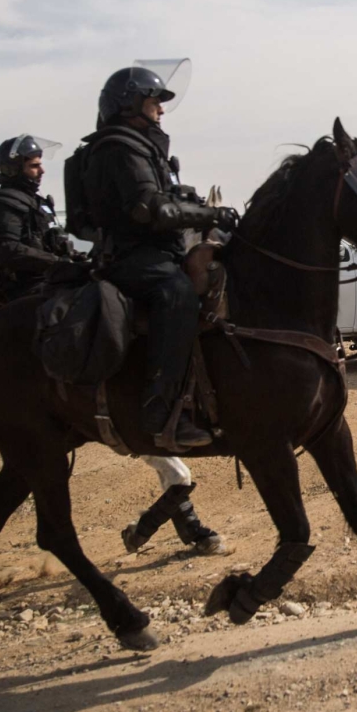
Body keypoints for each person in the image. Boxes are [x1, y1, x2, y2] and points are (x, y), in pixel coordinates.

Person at [80, 63, 235, 448]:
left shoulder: (143, 147)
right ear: (130, 103)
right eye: (154, 101)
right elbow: (150, 208)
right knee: (177, 293)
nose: (161, 109)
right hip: (132, 257)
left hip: (155, 251)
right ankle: (161, 411)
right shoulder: (119, 146)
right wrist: (210, 213)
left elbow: (167, 198)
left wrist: (195, 204)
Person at [0, 135, 82, 300]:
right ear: (14, 169)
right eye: (34, 166)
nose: (42, 171)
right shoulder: (5, 203)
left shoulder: (39, 203)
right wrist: (56, 262)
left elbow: (55, 244)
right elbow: (7, 249)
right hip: (23, 287)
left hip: (49, 279)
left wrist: (77, 259)